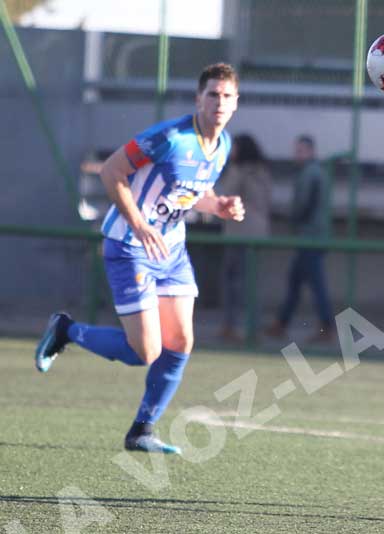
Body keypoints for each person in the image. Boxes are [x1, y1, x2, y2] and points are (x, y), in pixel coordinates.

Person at [34, 63, 245, 454]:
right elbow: (111, 171)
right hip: (130, 246)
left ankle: (142, 431)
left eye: (227, 96)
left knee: (180, 341)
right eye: (212, 94)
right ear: (198, 99)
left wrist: (219, 206)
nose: (219, 102)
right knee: (145, 351)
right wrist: (140, 224)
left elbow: (193, 191)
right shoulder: (169, 137)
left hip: (171, 250)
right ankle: (66, 330)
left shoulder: (223, 145)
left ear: (236, 103)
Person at [266, 135, 334, 342]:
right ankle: (281, 323)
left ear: (311, 152)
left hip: (309, 237)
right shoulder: (317, 172)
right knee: (296, 282)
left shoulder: (309, 174)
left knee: (314, 284)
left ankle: (326, 327)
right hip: (314, 236)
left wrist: (293, 221)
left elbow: (303, 205)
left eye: (301, 151)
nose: (297, 155)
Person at [216, 133, 272, 342]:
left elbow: (226, 195)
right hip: (259, 233)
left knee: (232, 281)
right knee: (252, 283)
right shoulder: (263, 172)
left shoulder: (238, 171)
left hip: (238, 233)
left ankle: (231, 326)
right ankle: (252, 327)